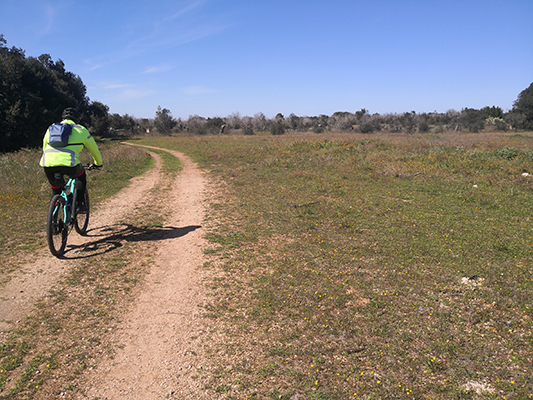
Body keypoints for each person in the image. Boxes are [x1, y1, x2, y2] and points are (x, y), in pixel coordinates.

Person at [40, 107, 103, 212]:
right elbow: (94, 150)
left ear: (63, 118)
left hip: (48, 163)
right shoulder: (81, 130)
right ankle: (79, 204)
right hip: (70, 164)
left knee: (56, 191)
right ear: (77, 120)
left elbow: (44, 147)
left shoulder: (51, 128)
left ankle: (53, 218)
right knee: (81, 176)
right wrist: (98, 163)